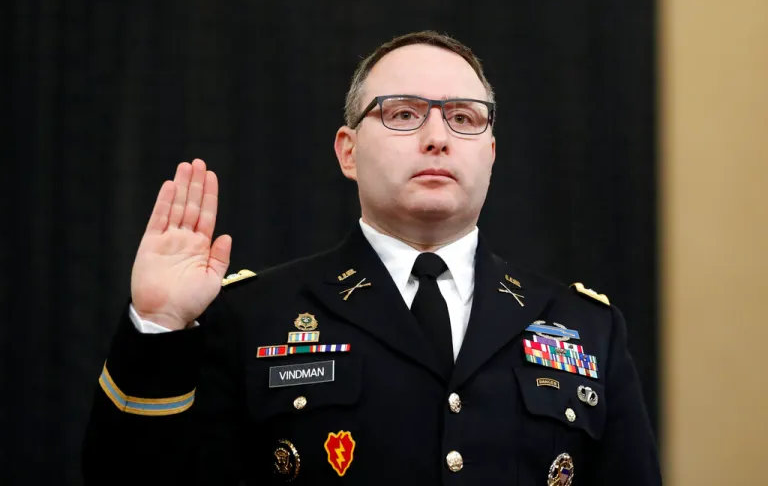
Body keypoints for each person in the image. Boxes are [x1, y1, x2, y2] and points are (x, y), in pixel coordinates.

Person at [82, 30, 661, 485]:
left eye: (463, 118)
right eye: (403, 113)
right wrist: (158, 326)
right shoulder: (252, 316)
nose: (437, 137)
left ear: (490, 152)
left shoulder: (586, 328)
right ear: (348, 151)